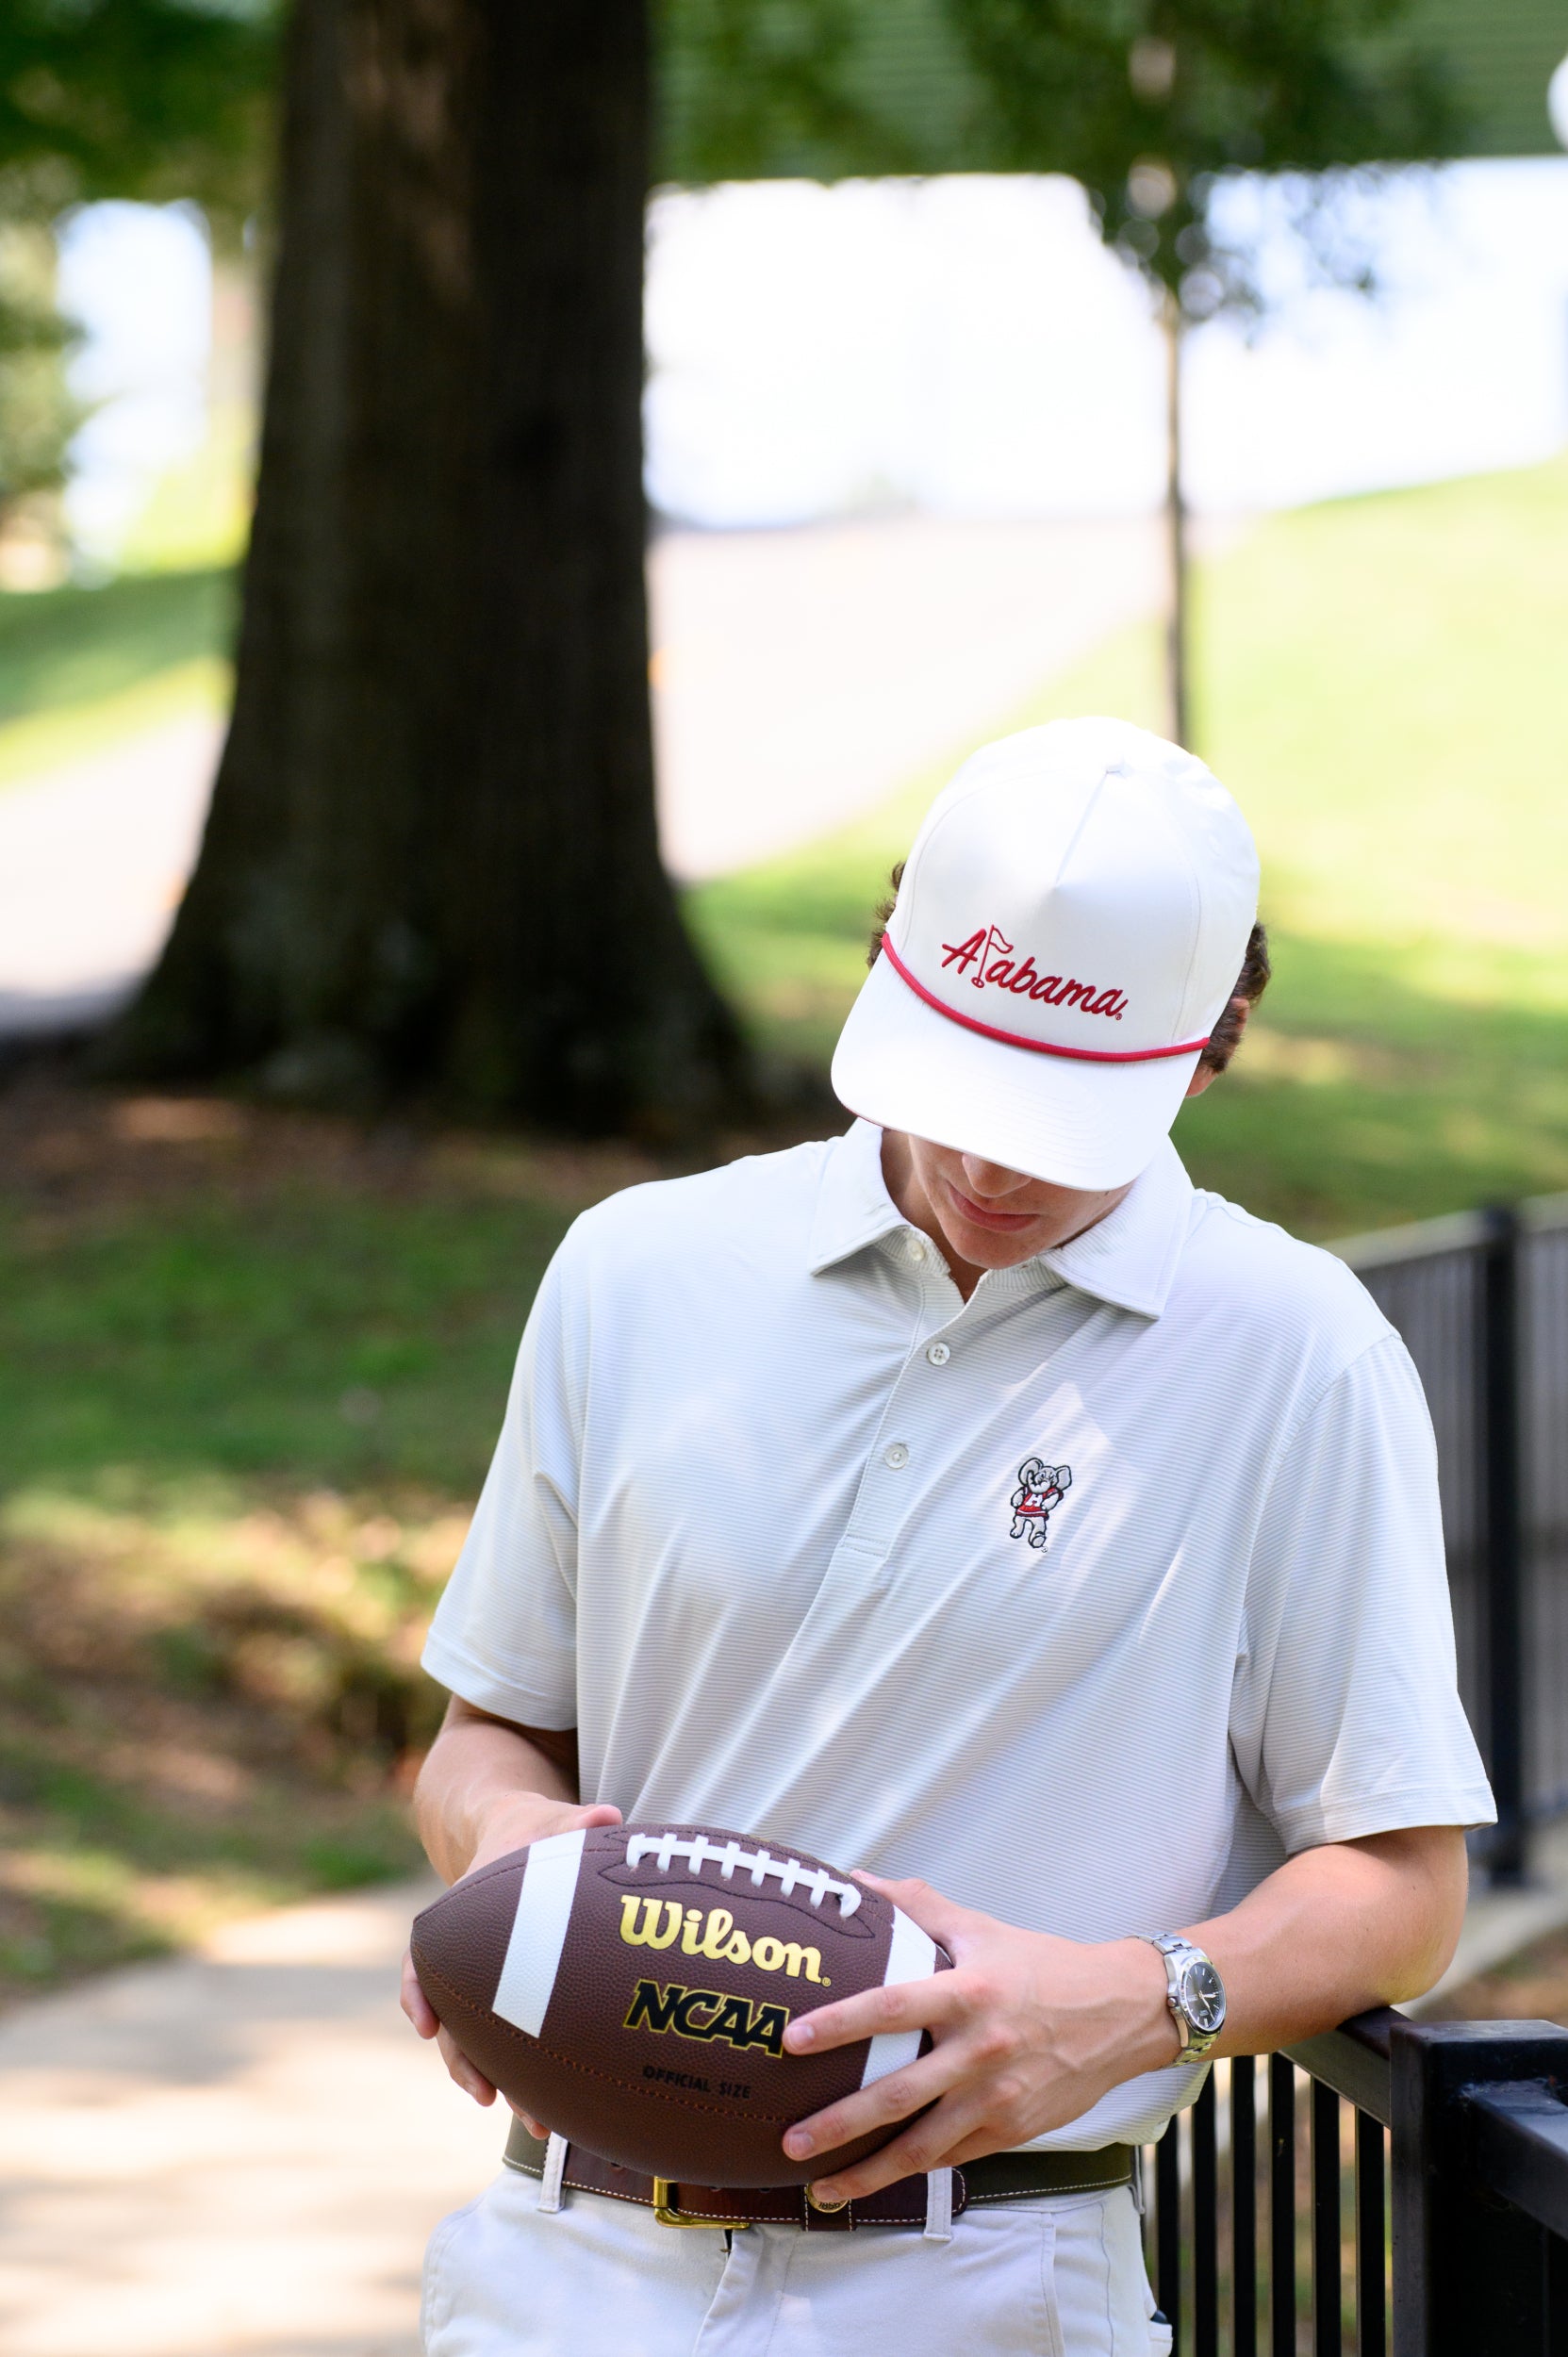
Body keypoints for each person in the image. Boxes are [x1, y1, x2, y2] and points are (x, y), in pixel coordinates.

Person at [404, 717, 1493, 2356]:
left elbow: (1401, 1881)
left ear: (1208, 1048)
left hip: (987, 2285)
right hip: (562, 2265)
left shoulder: (1298, 1352)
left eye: (1061, 1118)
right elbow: (488, 1732)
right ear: (889, 969)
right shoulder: (634, 1268)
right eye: (960, 1081)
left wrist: (1136, 2005)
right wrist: (504, 1858)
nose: (988, 1162)